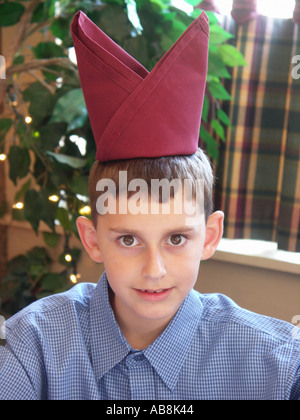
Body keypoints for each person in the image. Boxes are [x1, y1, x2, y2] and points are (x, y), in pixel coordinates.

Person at [0, 11, 300, 400]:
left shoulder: (281, 365)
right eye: (128, 240)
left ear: (210, 237)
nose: (153, 270)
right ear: (91, 239)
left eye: (176, 238)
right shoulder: (29, 347)